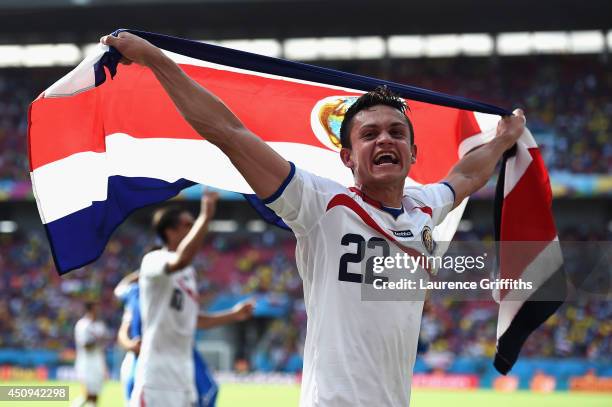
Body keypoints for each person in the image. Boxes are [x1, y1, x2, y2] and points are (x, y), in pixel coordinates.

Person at [101, 32, 526, 407]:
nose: (385, 139)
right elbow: (229, 133)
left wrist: (504, 138)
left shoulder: (427, 206)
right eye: (369, 133)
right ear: (347, 157)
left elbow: (468, 173)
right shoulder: (320, 204)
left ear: (413, 155)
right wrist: (156, 60)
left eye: (397, 132)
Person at [129, 193, 254, 407]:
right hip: (156, 375)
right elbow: (182, 259)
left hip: (184, 374)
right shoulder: (154, 260)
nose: (193, 228)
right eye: (188, 223)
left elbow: (193, 319)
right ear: (169, 231)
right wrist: (205, 217)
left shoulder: (188, 273)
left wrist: (233, 315)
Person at [114, 269, 254, 407]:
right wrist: (130, 345)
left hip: (175, 361)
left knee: (207, 392)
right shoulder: (136, 293)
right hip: (145, 363)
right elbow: (123, 329)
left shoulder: (176, 291)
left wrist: (234, 315)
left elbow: (196, 319)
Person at [73, 302, 108, 407]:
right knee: (87, 394)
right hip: (86, 363)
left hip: (98, 363)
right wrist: (98, 341)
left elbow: (103, 346)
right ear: (90, 310)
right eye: (95, 308)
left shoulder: (100, 325)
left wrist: (104, 366)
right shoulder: (82, 325)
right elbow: (85, 345)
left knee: (96, 395)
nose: (97, 311)